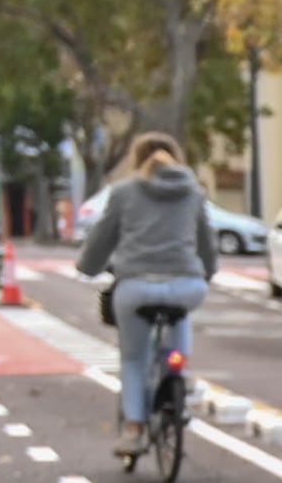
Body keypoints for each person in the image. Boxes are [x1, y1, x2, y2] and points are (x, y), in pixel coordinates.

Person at [73, 131, 221, 445]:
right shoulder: (193, 193)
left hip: (136, 286)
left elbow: (102, 238)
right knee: (180, 315)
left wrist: (87, 267)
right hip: (186, 285)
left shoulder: (123, 192)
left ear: (136, 160)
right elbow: (207, 244)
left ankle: (134, 428)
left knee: (134, 359)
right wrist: (206, 273)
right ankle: (179, 368)